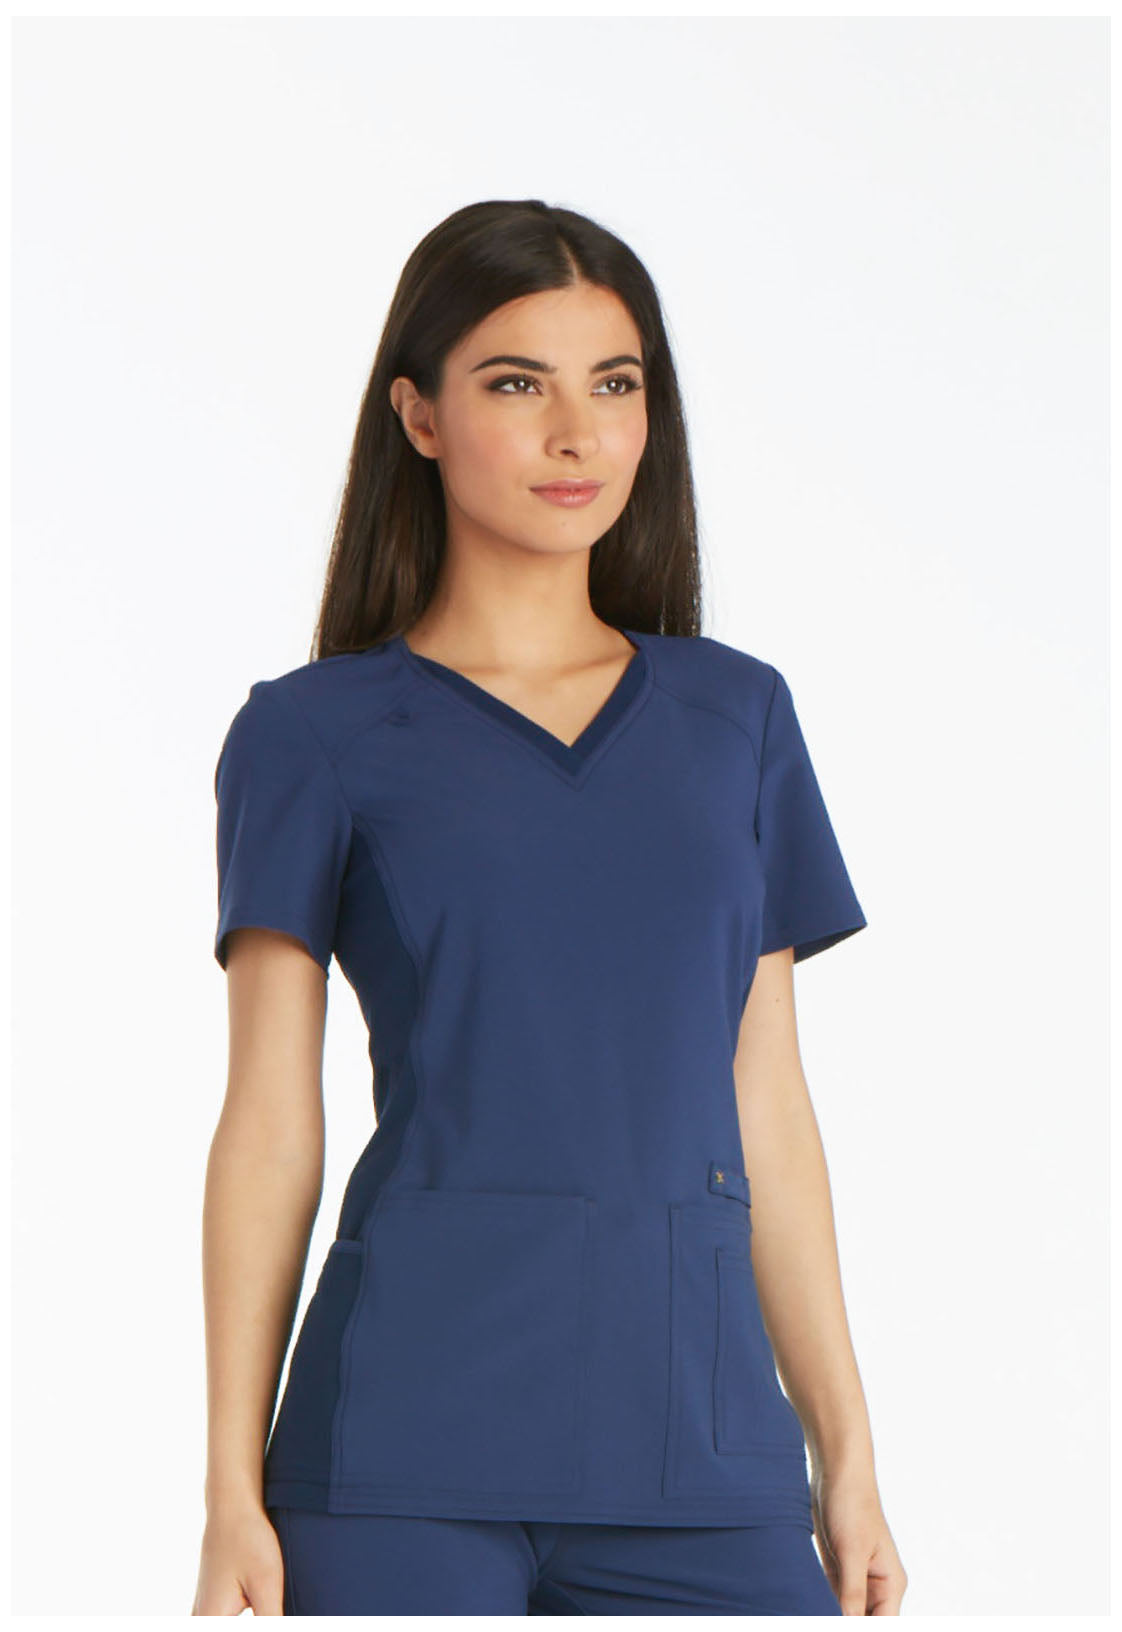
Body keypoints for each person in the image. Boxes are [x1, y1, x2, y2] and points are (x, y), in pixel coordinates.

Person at [192, 198, 908, 1616]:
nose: (578, 434)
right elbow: (269, 1121)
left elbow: (766, 1100)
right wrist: (228, 1487)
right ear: (418, 415)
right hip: (397, 1447)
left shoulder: (736, 721)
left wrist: (848, 1454)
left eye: (615, 384)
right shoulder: (314, 734)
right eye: (518, 385)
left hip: (700, 1441)